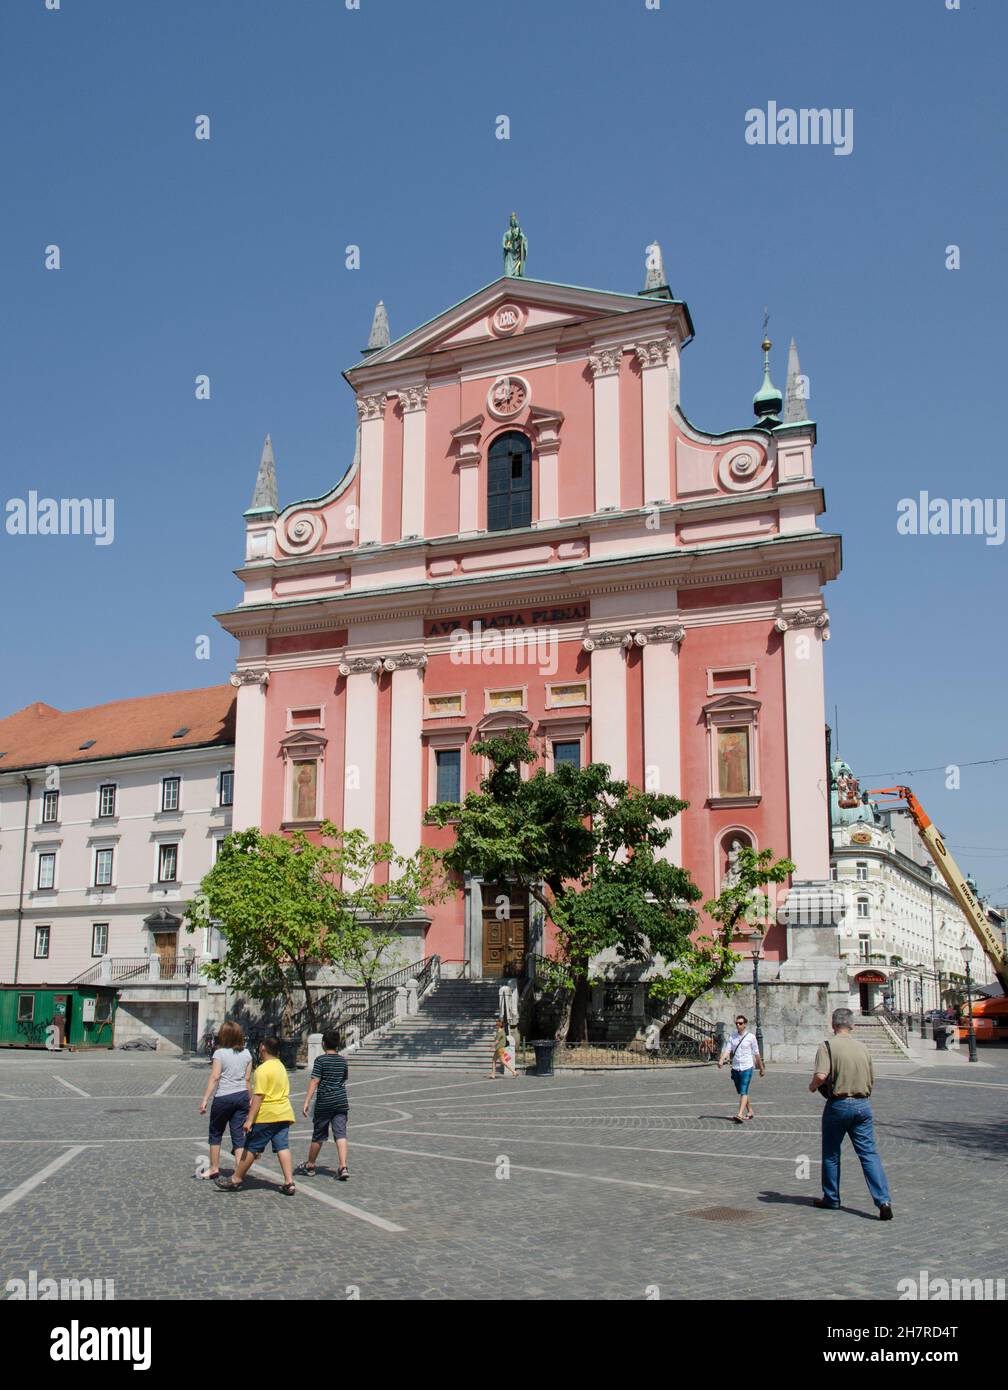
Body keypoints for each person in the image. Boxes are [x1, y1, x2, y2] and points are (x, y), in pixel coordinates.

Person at [809, 1007, 893, 1220]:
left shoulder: (827, 1046)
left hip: (838, 1104)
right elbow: (872, 1078)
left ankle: (832, 1198)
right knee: (868, 1153)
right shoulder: (863, 1047)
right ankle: (883, 1200)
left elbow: (821, 1075)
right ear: (852, 1025)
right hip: (863, 1104)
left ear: (833, 1025)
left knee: (831, 1153)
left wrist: (812, 1086)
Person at [216, 1037, 296, 1195]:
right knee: (282, 1146)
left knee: (251, 1147)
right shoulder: (281, 1066)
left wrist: (250, 1119)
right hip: (284, 1113)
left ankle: (236, 1179)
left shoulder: (262, 1070)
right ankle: (289, 1182)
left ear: (263, 1048)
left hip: (267, 1115)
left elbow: (258, 1097)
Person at [198, 1020, 252, 1180]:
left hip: (224, 1097)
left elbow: (215, 1077)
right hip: (242, 1095)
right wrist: (249, 1099)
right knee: (238, 1135)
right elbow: (248, 1079)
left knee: (215, 1132)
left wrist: (205, 1099)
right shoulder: (247, 1053)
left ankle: (214, 1168)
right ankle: (238, 1172)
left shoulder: (219, 1054)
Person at [297, 1030, 350, 1181]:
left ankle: (311, 1165)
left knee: (318, 1135)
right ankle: (343, 1166)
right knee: (340, 1134)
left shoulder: (320, 1061)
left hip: (325, 1102)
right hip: (341, 1101)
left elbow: (315, 1081)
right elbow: (344, 1078)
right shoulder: (343, 1061)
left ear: (323, 1044)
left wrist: (307, 1100)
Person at [718, 1013, 764, 1122]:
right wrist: (721, 1059)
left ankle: (739, 1114)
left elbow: (757, 1054)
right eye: (737, 1023)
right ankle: (750, 1111)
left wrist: (761, 1068)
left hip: (747, 1067)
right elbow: (728, 1049)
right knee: (742, 1091)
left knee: (743, 1090)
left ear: (745, 1025)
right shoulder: (733, 1036)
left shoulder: (751, 1037)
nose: (738, 1025)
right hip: (735, 1068)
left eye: (740, 1023)